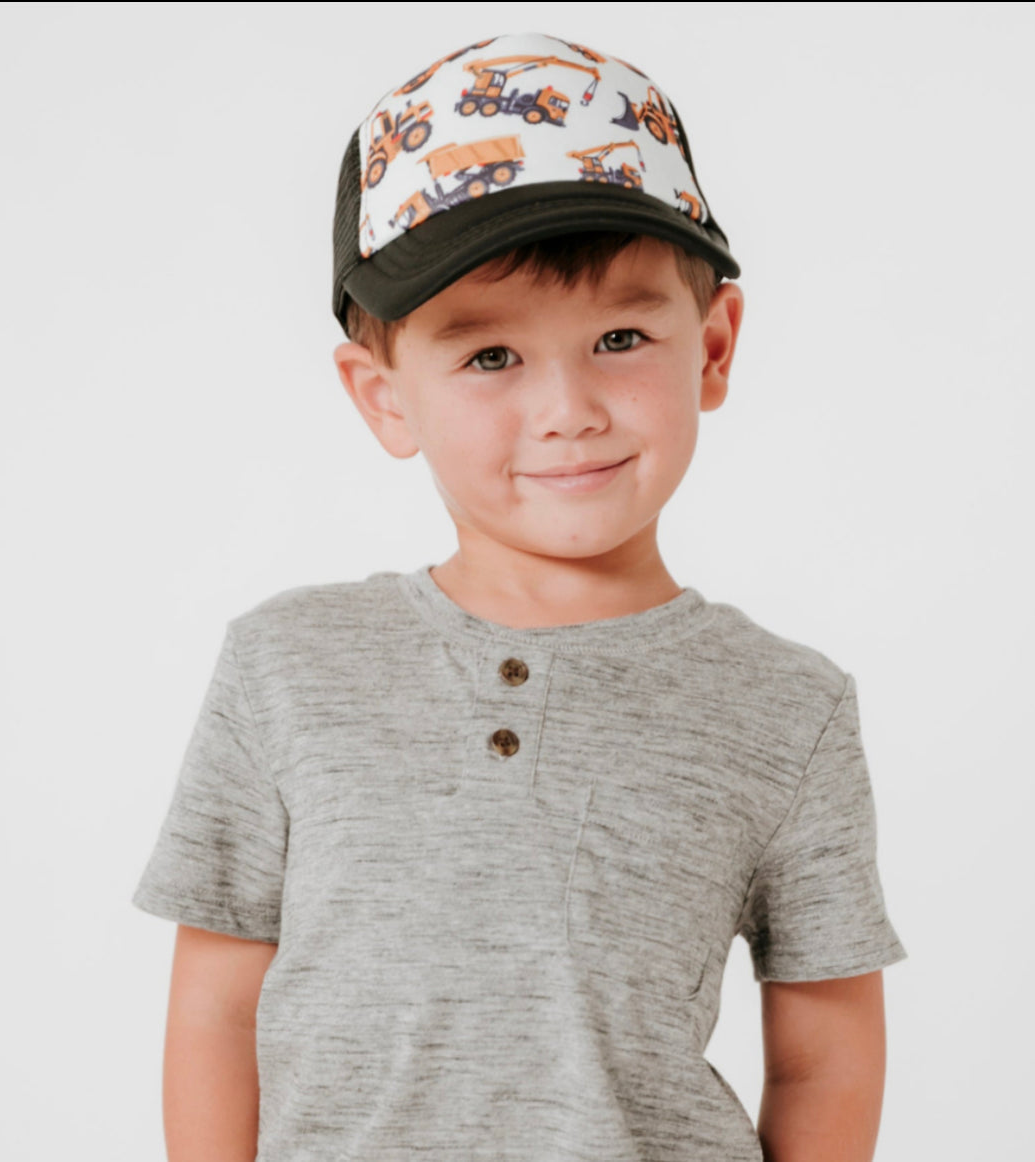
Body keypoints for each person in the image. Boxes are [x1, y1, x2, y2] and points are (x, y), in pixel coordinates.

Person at [131, 30, 908, 1162]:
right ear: (383, 395)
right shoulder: (287, 665)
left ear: (714, 345)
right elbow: (215, 1003)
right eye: (490, 357)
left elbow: (823, 1045)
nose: (568, 409)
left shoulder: (790, 708)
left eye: (620, 336)